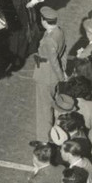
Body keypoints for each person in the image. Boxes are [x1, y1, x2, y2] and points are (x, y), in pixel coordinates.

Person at [33, 7, 66, 138]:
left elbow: (53, 61)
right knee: (50, 105)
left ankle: (44, 139)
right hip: (51, 75)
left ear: (43, 20)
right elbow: (62, 53)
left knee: (44, 109)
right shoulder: (59, 32)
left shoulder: (49, 39)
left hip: (46, 76)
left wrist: (61, 77)